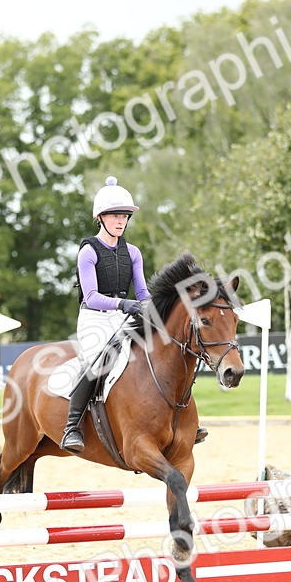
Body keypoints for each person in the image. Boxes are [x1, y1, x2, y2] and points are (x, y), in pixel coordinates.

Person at [59, 176, 209, 453]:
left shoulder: (133, 252)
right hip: (95, 318)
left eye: (124, 216)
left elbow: (142, 293)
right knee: (99, 361)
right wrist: (122, 305)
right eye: (115, 215)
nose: (121, 221)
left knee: (167, 352)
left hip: (126, 316)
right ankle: (72, 426)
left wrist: (153, 309)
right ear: (100, 218)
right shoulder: (88, 251)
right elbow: (91, 297)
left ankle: (184, 420)